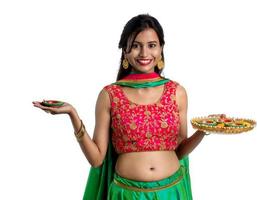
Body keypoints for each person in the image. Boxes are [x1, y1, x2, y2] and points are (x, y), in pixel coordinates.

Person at [33, 14, 206, 200]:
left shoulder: (177, 92)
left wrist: (203, 130)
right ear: (125, 50)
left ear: (161, 48)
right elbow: (97, 159)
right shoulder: (110, 95)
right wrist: (72, 114)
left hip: (171, 191)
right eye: (135, 46)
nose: (144, 53)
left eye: (151, 45)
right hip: (126, 194)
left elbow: (179, 150)